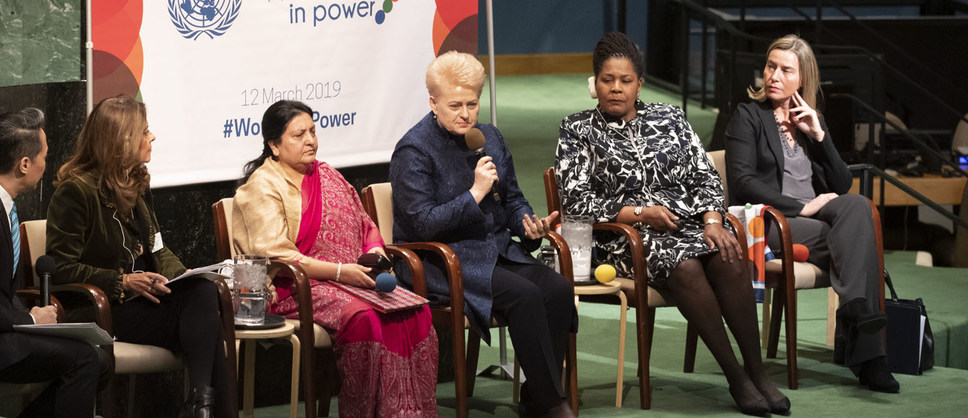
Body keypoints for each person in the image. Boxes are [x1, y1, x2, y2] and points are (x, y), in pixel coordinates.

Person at [554, 32, 789, 416]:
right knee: (685, 265)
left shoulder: (669, 118)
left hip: (691, 226)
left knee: (729, 254)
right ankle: (736, 377)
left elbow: (705, 176)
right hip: (624, 239)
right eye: (607, 80)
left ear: (639, 84)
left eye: (625, 80)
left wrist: (713, 220)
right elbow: (576, 201)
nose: (616, 88)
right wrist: (639, 213)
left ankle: (757, 371)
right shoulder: (577, 130)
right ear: (594, 85)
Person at [390, 51, 576, 418]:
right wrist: (474, 193)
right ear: (433, 103)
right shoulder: (413, 150)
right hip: (443, 261)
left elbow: (513, 200)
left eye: (472, 104)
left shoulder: (488, 137)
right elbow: (421, 224)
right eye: (454, 105)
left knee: (557, 289)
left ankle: (537, 396)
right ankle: (552, 404)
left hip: (495, 251)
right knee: (524, 295)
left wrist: (528, 223)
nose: (465, 114)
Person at [231, 99, 438, 418]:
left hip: (353, 279)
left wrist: (374, 251)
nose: (311, 140)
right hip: (294, 288)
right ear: (274, 145)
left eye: (313, 131)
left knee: (415, 312)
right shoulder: (262, 186)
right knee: (363, 319)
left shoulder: (327, 174)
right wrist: (341, 273)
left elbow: (365, 223)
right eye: (298, 135)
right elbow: (277, 255)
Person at [724, 34, 899, 393]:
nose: (773, 75)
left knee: (858, 205)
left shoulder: (810, 120)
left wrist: (820, 136)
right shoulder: (748, 115)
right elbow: (742, 182)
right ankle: (871, 357)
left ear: (802, 79)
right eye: (771, 66)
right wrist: (802, 206)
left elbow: (842, 182)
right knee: (858, 242)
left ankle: (853, 309)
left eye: (785, 69)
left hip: (817, 222)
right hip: (773, 221)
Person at [45, 95, 235, 418]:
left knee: (202, 292)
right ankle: (206, 409)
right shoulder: (76, 192)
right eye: (145, 132)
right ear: (122, 141)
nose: (152, 138)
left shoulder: (135, 183)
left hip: (139, 307)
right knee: (206, 319)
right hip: (100, 309)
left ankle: (200, 405)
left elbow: (157, 247)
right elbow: (60, 268)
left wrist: (184, 274)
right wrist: (123, 281)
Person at [0, 108, 112, 418]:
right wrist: (34, 320)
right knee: (83, 360)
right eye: (43, 156)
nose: (45, 163)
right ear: (24, 164)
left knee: (100, 361)